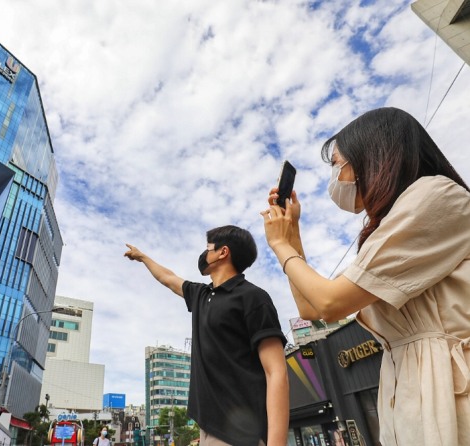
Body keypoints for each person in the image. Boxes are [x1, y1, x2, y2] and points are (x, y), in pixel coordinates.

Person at [261, 107, 470, 446]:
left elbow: (330, 303)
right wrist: (292, 235)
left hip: (445, 389)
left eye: (337, 165)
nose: (336, 179)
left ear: (374, 156)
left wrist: (279, 245)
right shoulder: (394, 222)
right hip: (411, 388)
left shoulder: (435, 195)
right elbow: (311, 309)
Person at [125, 225, 289, 446]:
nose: (204, 254)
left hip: (241, 432)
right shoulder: (201, 295)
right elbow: (168, 278)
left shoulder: (253, 297)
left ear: (223, 252)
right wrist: (143, 257)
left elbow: (276, 371)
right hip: (209, 426)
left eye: (208, 248)